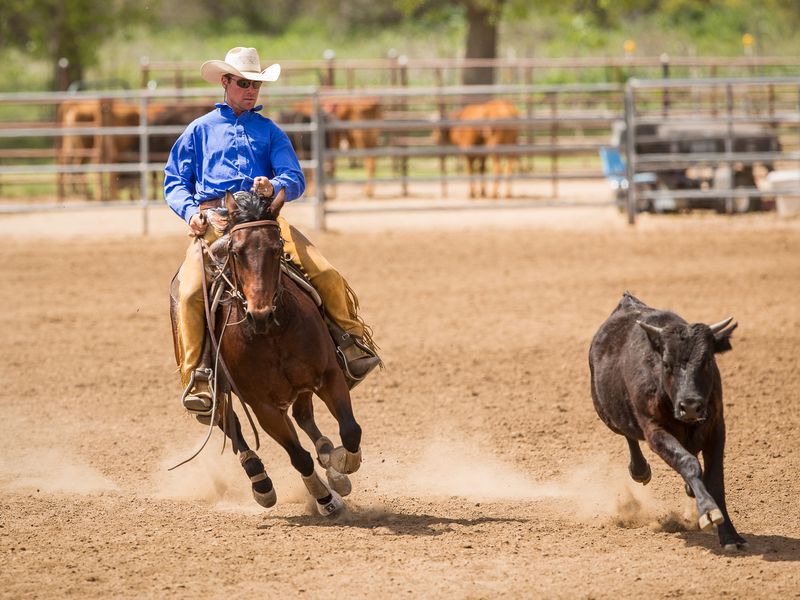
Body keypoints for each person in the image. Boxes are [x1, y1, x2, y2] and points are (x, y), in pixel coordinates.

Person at [165, 46, 380, 414]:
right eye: (245, 83)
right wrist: (190, 214)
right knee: (189, 295)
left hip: (265, 219)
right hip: (216, 222)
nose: (251, 91)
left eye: (256, 85)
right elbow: (174, 181)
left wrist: (274, 186)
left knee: (325, 273)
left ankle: (351, 342)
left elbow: (295, 180)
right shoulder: (198, 131)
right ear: (226, 82)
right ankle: (198, 377)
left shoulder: (269, 131)